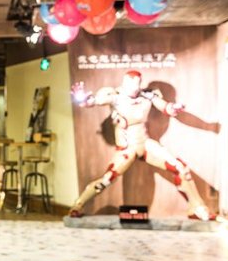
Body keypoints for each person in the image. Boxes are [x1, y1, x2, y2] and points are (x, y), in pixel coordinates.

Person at [69, 70, 213, 220]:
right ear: (124, 82)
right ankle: (78, 205)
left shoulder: (147, 95)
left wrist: (174, 108)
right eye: (130, 83)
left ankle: (197, 208)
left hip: (145, 144)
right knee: (107, 179)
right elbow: (93, 101)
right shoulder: (115, 95)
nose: (133, 87)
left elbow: (165, 107)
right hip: (127, 148)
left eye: (136, 83)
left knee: (180, 168)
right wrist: (83, 99)